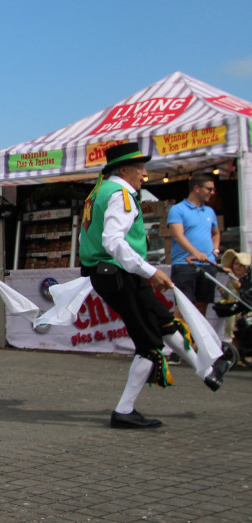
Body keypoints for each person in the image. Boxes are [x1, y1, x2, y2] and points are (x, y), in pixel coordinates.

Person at [78, 142, 229, 430]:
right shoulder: (119, 194)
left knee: (163, 321)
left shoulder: (99, 191)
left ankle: (206, 371)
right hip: (121, 275)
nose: (144, 174)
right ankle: (124, 411)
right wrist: (150, 272)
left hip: (116, 273)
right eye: (140, 168)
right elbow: (113, 242)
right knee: (149, 343)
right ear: (124, 169)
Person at [168, 173, 220, 316]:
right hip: (185, 264)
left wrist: (215, 249)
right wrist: (195, 252)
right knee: (185, 306)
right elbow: (178, 235)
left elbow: (216, 232)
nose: (212, 192)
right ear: (197, 188)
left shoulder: (209, 211)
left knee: (202, 305)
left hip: (208, 263)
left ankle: (198, 338)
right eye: (209, 189)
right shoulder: (177, 209)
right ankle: (184, 337)